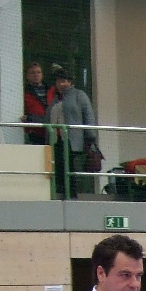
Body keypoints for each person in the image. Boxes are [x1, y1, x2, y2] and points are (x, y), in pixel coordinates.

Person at [48, 68, 97, 196]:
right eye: (58, 81)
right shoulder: (55, 99)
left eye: (64, 81)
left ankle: (73, 195)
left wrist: (90, 136)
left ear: (70, 82)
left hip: (73, 140)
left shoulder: (79, 95)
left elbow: (88, 116)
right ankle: (61, 193)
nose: (61, 84)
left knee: (72, 168)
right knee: (59, 168)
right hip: (57, 140)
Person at [22, 62, 54, 145]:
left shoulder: (52, 90)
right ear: (27, 76)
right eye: (32, 73)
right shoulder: (23, 92)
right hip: (34, 132)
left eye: (38, 72)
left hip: (52, 130)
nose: (36, 75)